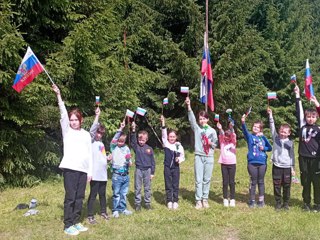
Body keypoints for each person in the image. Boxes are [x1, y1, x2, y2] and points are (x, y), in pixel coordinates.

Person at [52, 84, 92, 236]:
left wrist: (90, 172)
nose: (73, 122)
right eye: (71, 119)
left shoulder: (86, 134)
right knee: (70, 197)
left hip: (83, 170)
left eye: (76, 119)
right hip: (70, 169)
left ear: (80, 120)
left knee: (80, 197)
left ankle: (76, 221)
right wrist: (58, 96)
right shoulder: (67, 131)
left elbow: (90, 154)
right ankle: (68, 224)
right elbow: (62, 114)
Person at [185, 97, 218, 209]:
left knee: (207, 179)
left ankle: (205, 199)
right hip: (199, 156)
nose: (202, 121)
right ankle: (198, 200)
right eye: (200, 119)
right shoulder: (197, 129)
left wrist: (210, 143)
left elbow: (216, 144)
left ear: (208, 119)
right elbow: (191, 120)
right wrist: (189, 106)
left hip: (209, 157)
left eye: (204, 119)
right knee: (198, 179)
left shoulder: (212, 131)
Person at [294, 85, 320, 212]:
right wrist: (297, 95)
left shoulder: (319, 129)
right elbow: (299, 110)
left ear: (316, 118)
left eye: (313, 116)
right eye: (308, 116)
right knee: (305, 180)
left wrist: (317, 105)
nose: (310, 118)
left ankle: (317, 204)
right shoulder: (303, 126)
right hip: (303, 157)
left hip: (316, 159)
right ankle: (306, 203)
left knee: (317, 182)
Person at [241, 113, 272, 208]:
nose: (255, 128)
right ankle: (252, 200)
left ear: (260, 129)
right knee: (253, 181)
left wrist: (264, 147)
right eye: (254, 126)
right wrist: (243, 122)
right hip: (252, 163)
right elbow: (245, 131)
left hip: (262, 163)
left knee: (261, 181)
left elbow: (270, 147)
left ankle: (261, 201)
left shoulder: (262, 138)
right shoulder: (250, 137)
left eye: (257, 127)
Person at [267, 107, 295, 210]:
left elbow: (292, 156)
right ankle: (278, 203)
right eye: (281, 131)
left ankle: (286, 203)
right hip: (277, 166)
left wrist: (292, 168)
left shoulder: (290, 143)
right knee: (277, 185)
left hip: (287, 167)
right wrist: (270, 115)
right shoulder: (276, 138)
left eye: (285, 132)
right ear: (279, 131)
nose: (282, 133)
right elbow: (271, 127)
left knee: (287, 186)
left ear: (289, 133)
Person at [87, 107, 110, 224]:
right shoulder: (90, 141)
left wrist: (108, 158)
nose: (99, 135)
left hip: (103, 174)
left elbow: (101, 157)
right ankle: (90, 215)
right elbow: (91, 130)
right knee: (93, 194)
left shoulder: (101, 143)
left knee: (102, 194)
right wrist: (97, 116)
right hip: (94, 174)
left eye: (101, 133)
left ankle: (103, 211)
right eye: (98, 132)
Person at [160, 115, 185, 210]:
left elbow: (183, 157)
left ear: (176, 137)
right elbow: (163, 134)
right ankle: (169, 200)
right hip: (167, 167)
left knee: (175, 184)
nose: (171, 138)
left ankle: (175, 201)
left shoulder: (179, 146)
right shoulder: (166, 144)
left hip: (176, 168)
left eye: (173, 137)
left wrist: (179, 160)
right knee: (168, 184)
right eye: (170, 136)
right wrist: (163, 123)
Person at [109, 120, 133, 218]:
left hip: (125, 175)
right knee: (116, 193)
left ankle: (122, 209)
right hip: (117, 175)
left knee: (123, 193)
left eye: (122, 141)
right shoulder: (113, 147)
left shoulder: (126, 148)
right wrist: (121, 129)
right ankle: (115, 210)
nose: (120, 143)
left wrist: (130, 161)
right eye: (119, 141)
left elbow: (128, 158)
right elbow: (114, 139)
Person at [131, 122, 156, 211]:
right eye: (140, 140)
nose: (141, 141)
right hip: (138, 170)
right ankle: (137, 204)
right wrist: (133, 130)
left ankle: (147, 203)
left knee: (147, 187)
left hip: (148, 170)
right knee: (137, 187)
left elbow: (153, 162)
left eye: (143, 140)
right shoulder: (136, 147)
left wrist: (152, 172)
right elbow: (133, 141)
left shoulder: (149, 149)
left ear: (146, 139)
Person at [217, 121, 237, 207]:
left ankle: (232, 199)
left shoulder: (233, 142)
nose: (227, 137)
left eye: (228, 136)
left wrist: (231, 127)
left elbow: (233, 134)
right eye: (226, 135)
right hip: (224, 164)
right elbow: (221, 134)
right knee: (225, 182)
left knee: (231, 182)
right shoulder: (222, 142)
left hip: (232, 164)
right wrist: (220, 128)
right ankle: (225, 198)